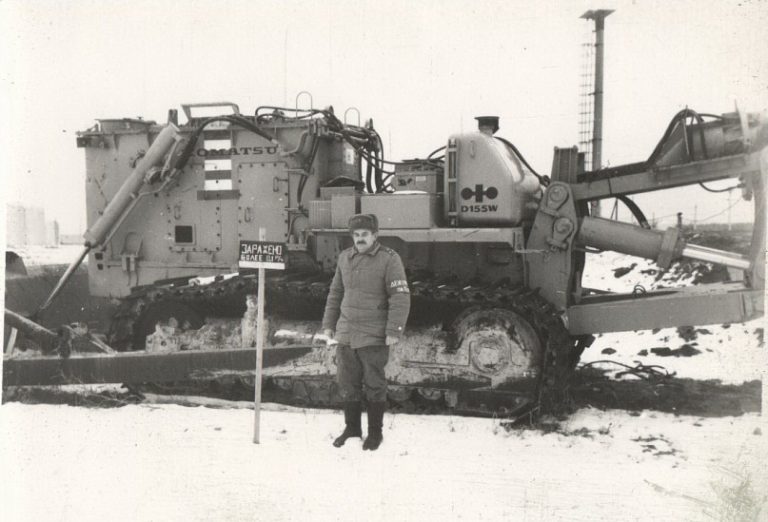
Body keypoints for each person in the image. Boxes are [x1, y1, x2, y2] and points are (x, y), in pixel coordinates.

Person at [321, 213, 410, 450]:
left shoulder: (389, 259)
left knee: (374, 384)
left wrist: (394, 329)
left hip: (374, 334)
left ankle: (375, 434)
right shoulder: (344, 258)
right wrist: (328, 325)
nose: (360, 239)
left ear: (375, 235)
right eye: (356, 235)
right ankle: (352, 429)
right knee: (347, 383)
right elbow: (335, 293)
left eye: (364, 235)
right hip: (347, 333)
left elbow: (400, 296)